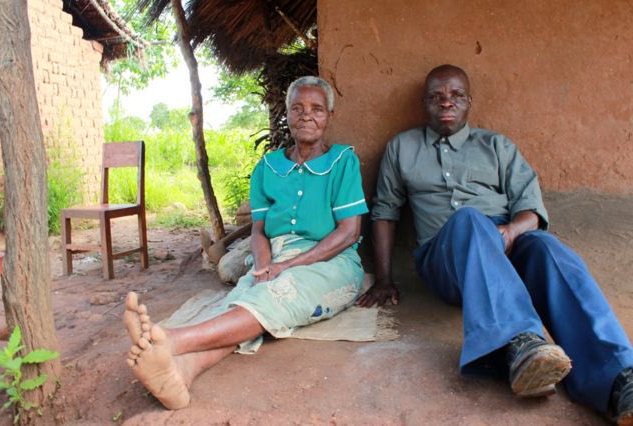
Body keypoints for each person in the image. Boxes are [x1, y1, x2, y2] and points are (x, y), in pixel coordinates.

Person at [357, 64, 633, 424]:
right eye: (436, 96)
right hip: (446, 261)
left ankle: (618, 377)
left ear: (469, 102)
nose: (446, 102)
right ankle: (521, 345)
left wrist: (511, 233)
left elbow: (531, 210)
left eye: (456, 95)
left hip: (506, 245)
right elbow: (384, 212)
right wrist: (383, 279)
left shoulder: (497, 146)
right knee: (469, 220)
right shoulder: (402, 148)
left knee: (547, 248)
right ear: (424, 104)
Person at [123, 76, 368, 410]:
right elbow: (259, 231)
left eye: (317, 109)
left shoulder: (343, 162)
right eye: (297, 108)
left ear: (330, 116)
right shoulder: (267, 167)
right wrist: (264, 265)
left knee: (280, 292)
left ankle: (173, 341)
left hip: (331, 260)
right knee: (250, 296)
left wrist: (287, 266)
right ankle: (184, 371)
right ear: (287, 114)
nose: (306, 116)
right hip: (275, 254)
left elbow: (349, 233)